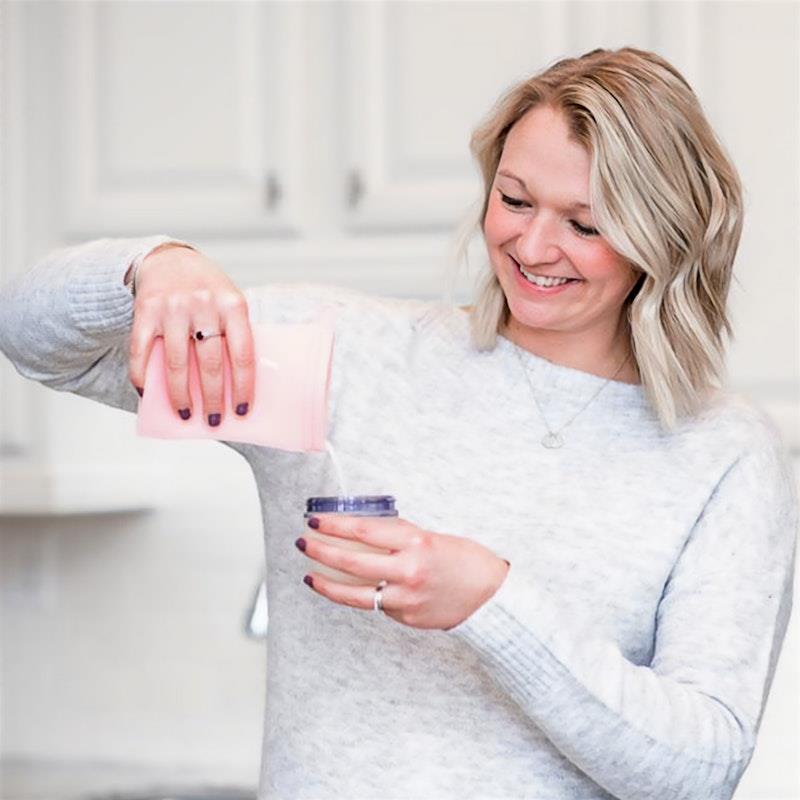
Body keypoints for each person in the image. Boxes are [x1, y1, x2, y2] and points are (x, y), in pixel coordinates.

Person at [0, 46, 797, 800]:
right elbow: (33, 338)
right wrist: (152, 265)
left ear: (661, 238)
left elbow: (699, 769)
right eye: (514, 199)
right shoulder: (340, 355)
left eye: (583, 225)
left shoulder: (724, 454)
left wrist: (490, 602)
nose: (531, 244)